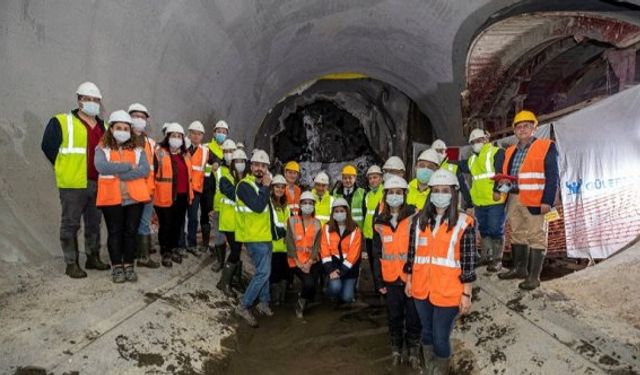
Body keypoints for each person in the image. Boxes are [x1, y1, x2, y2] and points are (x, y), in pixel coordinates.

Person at [406, 169, 476, 374]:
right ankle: (429, 368)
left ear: (454, 193)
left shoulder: (464, 223)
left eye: (445, 190)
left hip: (449, 291)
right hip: (421, 288)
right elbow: (412, 254)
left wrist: (467, 294)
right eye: (436, 190)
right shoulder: (419, 221)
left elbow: (468, 263)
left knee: (440, 336)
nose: (440, 194)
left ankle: (441, 370)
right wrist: (409, 280)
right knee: (426, 332)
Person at [41, 82, 110, 278]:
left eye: (96, 100)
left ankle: (92, 257)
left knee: (94, 223)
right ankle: (71, 263)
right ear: (79, 100)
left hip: (97, 183)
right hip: (72, 184)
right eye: (88, 99)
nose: (92, 103)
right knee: (71, 224)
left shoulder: (104, 127)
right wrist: (63, 166)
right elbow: (48, 146)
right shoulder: (62, 122)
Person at [497, 110, 559, 290]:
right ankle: (519, 269)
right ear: (514, 130)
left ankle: (533, 277)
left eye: (526, 126)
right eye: (518, 126)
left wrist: (547, 200)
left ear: (534, 128)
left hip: (535, 198)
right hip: (514, 197)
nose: (522, 129)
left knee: (536, 236)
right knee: (517, 232)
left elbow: (552, 175)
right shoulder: (510, 151)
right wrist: (500, 191)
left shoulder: (546, 146)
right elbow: (506, 176)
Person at [95, 110, 150, 283]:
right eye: (119, 127)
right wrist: (127, 166)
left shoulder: (139, 149)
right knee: (115, 232)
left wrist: (121, 174)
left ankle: (129, 266)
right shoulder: (102, 148)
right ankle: (117, 267)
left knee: (130, 232)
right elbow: (102, 167)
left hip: (134, 198)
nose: (122, 131)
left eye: (126, 128)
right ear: (111, 129)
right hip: (111, 198)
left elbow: (144, 170)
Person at [372, 176, 421, 368]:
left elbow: (420, 248)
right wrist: (379, 281)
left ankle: (413, 352)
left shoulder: (414, 217)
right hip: (390, 278)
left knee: (413, 317)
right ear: (385, 195)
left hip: (411, 278)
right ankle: (396, 350)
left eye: (398, 192)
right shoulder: (379, 221)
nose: (394, 196)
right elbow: (376, 252)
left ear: (404, 194)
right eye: (391, 192)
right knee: (394, 316)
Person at [457, 129, 506, 272]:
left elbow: (501, 173)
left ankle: (497, 260)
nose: (476, 144)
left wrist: (498, 190)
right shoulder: (472, 160)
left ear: (486, 140)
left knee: (496, 229)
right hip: (479, 202)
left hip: (495, 200)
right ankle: (486, 256)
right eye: (473, 142)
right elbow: (459, 165)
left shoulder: (496, 152)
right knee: (484, 229)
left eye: (479, 140)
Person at [234, 149, 274, 328]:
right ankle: (244, 305)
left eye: (263, 166)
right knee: (263, 272)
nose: (260, 168)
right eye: (257, 165)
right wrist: (266, 187)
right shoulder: (245, 186)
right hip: (253, 237)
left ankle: (263, 302)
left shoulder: (262, 186)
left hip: (265, 235)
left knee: (265, 271)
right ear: (251, 166)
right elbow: (258, 207)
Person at [153, 123, 193, 267]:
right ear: (167, 137)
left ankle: (174, 248)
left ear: (182, 139)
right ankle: (165, 251)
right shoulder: (160, 153)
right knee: (166, 225)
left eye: (179, 136)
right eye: (173, 135)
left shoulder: (185, 155)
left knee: (177, 224)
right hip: (165, 195)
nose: (176, 139)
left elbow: (189, 176)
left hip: (182, 196)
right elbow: (153, 174)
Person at [128, 103, 159, 268]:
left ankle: (143, 257)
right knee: (130, 223)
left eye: (142, 117)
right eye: (135, 116)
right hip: (130, 191)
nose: (139, 120)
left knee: (144, 223)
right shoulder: (122, 139)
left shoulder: (151, 143)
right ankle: (130, 254)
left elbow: (156, 166)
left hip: (147, 191)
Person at [181, 121, 217, 257]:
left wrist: (215, 163)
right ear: (189, 134)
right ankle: (180, 245)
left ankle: (191, 244)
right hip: (182, 188)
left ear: (202, 136)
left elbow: (216, 160)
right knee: (180, 218)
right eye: (194, 133)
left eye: (199, 134)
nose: (196, 136)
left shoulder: (205, 151)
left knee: (192, 217)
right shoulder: (182, 147)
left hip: (195, 190)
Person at [318, 198, 362, 306]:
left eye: (342, 211)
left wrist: (341, 272)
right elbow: (324, 251)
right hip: (333, 265)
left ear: (347, 212)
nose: (339, 213)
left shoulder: (355, 229)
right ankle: (330, 289)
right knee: (335, 288)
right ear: (332, 213)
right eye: (336, 211)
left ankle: (348, 289)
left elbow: (354, 254)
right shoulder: (327, 227)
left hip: (350, 268)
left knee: (347, 298)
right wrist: (330, 270)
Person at [216, 147, 247, 298]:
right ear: (232, 163)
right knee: (234, 250)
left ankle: (235, 279)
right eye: (237, 161)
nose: (240, 163)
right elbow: (235, 194)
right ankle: (224, 282)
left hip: (240, 222)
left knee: (238, 250)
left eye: (242, 161)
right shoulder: (225, 178)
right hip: (229, 221)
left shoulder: (246, 178)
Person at [286, 191, 322, 318]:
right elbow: (289, 242)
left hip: (312, 261)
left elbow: (317, 244)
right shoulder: (292, 221)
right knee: (309, 284)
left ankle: (307, 298)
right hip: (296, 261)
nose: (308, 205)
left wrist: (310, 262)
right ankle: (300, 304)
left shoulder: (317, 223)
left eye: (310, 203)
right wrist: (298, 262)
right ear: (300, 205)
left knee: (313, 286)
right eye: (305, 203)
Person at [430, 140, 475, 214]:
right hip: (431, 207)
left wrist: (469, 205)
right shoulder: (428, 168)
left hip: (451, 207)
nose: (438, 154)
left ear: (445, 153)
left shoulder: (453, 167)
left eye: (441, 151)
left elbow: (464, 187)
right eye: (436, 151)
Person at [208, 120, 229, 270]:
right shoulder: (208, 149)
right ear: (214, 132)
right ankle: (219, 261)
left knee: (232, 238)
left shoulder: (237, 168)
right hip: (218, 205)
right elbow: (209, 183)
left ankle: (232, 265)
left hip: (233, 209)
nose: (221, 134)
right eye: (219, 131)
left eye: (224, 132)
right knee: (218, 234)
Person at [269, 174, 291, 306]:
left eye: (282, 187)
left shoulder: (286, 206)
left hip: (285, 247)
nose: (280, 189)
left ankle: (282, 299)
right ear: (272, 188)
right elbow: (275, 226)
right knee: (275, 273)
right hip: (274, 246)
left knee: (285, 274)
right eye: (277, 186)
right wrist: (285, 234)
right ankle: (275, 299)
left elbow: (290, 224)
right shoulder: (269, 204)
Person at [362, 165, 385, 293]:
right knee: (372, 262)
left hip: (380, 235)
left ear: (381, 178)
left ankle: (382, 286)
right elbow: (367, 214)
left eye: (375, 177)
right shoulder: (368, 195)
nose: (373, 180)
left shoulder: (385, 193)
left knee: (379, 262)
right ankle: (378, 288)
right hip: (369, 235)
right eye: (370, 178)